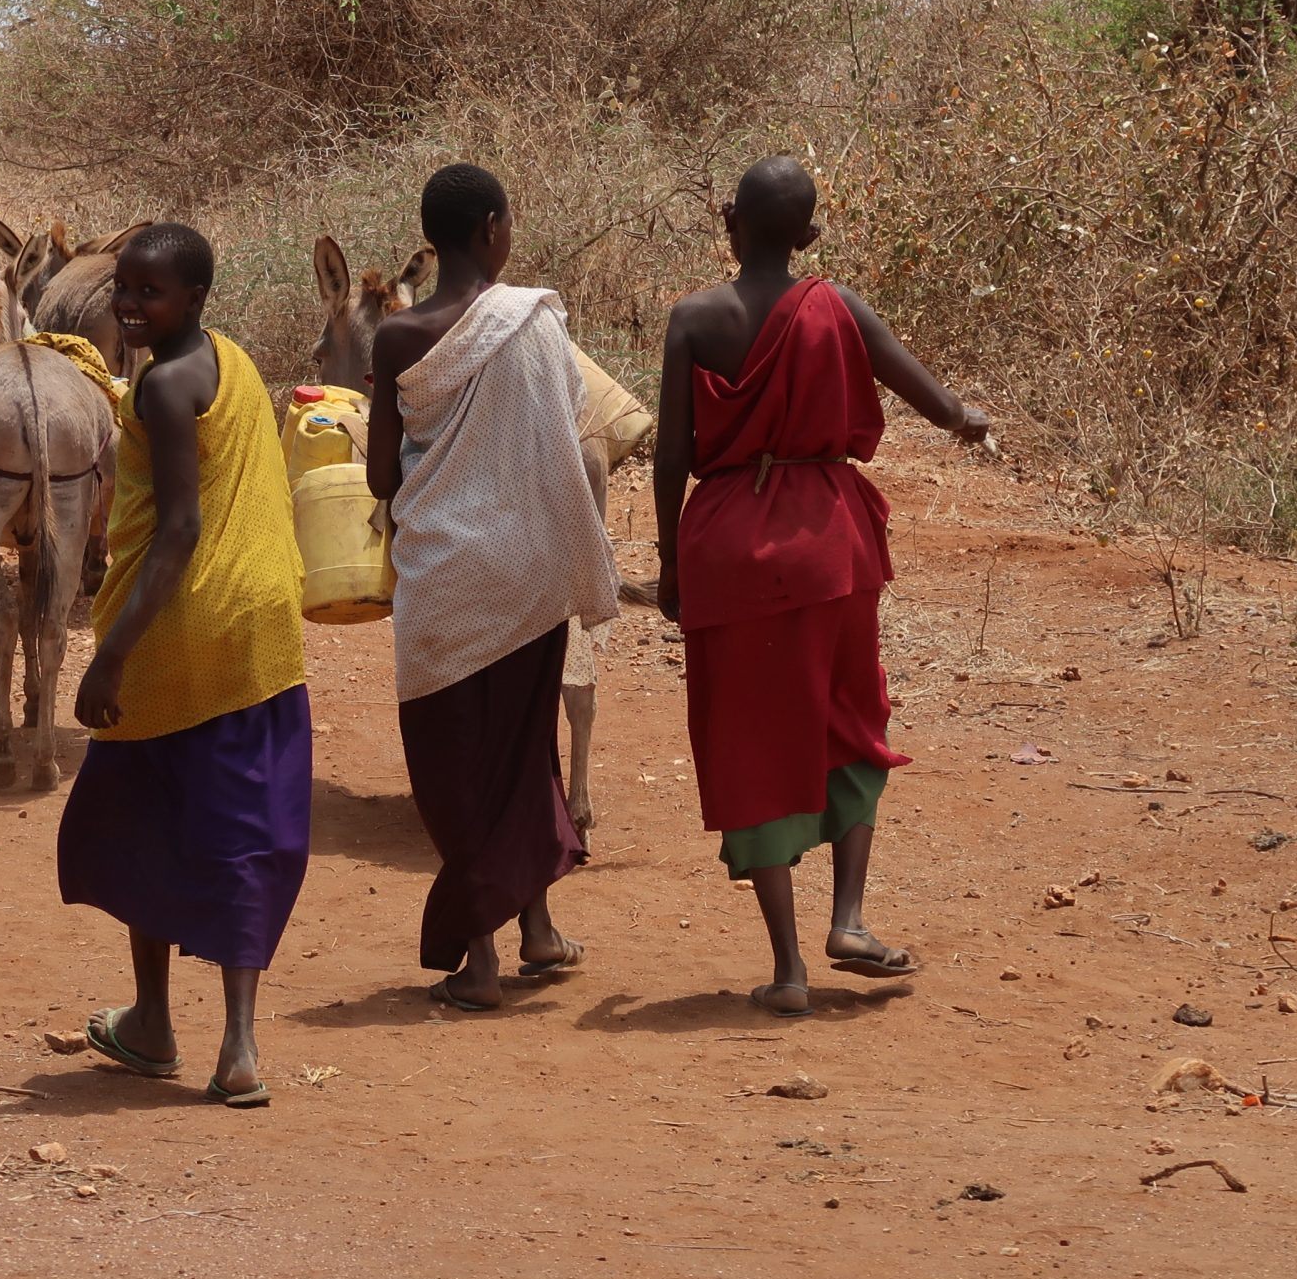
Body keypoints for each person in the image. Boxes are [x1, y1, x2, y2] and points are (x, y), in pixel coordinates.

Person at [653, 156, 989, 1015]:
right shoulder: (836, 307)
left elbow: (672, 457)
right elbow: (932, 398)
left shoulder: (693, 319)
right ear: (806, 235)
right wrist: (967, 420)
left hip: (728, 542)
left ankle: (791, 968)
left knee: (751, 739)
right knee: (848, 715)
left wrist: (668, 561)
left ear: (730, 221)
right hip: (829, 538)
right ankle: (849, 918)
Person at [59, 223, 309, 1107]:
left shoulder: (162, 387)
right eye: (121, 286)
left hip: (178, 626)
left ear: (195, 298)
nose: (127, 304)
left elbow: (178, 532)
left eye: (148, 293)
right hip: (261, 628)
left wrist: (111, 657)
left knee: (143, 822)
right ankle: (237, 1046)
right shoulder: (230, 360)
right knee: (243, 827)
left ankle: (156, 1021)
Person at [368, 164, 620, 1011]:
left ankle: (482, 959)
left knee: (453, 769)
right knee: (524, 752)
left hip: (442, 580)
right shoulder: (534, 323)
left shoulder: (399, 340)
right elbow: (560, 438)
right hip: (526, 575)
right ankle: (538, 930)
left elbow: (378, 475)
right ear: (492, 228)